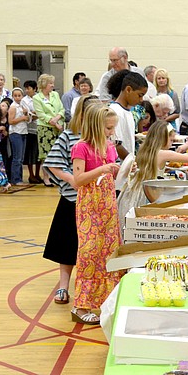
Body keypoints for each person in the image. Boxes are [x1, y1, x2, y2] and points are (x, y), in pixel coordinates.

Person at [43, 94, 100, 306]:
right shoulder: (69, 136)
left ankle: (92, 288)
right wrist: (71, 179)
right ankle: (63, 287)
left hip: (96, 203)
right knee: (67, 247)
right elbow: (53, 164)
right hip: (72, 200)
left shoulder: (103, 137)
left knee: (94, 247)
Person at [70, 105, 123, 324]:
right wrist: (101, 170)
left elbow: (111, 171)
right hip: (89, 205)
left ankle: (107, 300)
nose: (111, 132)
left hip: (108, 204)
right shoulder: (81, 147)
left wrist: (118, 169)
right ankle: (81, 305)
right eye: (108, 128)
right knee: (89, 252)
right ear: (96, 126)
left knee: (110, 251)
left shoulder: (109, 146)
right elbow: (78, 180)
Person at [117, 120, 188, 232]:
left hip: (133, 191)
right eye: (171, 140)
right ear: (163, 139)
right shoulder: (162, 153)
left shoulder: (144, 150)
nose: (172, 144)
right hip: (146, 193)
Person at [32, 73, 65, 186]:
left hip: (58, 127)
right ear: (44, 84)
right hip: (45, 129)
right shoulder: (37, 98)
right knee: (46, 154)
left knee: (57, 153)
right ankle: (46, 178)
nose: (52, 85)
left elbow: (61, 109)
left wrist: (57, 119)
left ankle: (56, 177)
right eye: (50, 83)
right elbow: (41, 115)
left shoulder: (55, 94)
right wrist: (54, 122)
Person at [106, 69, 146, 158]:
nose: (141, 100)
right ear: (128, 90)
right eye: (140, 95)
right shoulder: (115, 111)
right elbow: (116, 144)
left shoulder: (128, 112)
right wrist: (132, 161)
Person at [7, 87, 29, 185]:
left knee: (21, 158)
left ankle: (19, 177)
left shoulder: (23, 106)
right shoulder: (13, 107)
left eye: (19, 95)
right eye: (15, 96)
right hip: (16, 133)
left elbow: (27, 118)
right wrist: (22, 118)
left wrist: (26, 115)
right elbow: (10, 121)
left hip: (23, 132)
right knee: (17, 157)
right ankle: (15, 179)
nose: (17, 97)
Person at [21, 80, 41, 183]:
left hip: (40, 128)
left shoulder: (39, 98)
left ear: (35, 89)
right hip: (30, 129)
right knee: (30, 153)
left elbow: (42, 111)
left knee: (38, 153)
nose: (26, 90)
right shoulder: (24, 100)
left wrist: (36, 113)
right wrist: (36, 114)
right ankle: (31, 175)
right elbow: (29, 115)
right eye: (26, 88)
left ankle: (38, 174)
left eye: (28, 88)